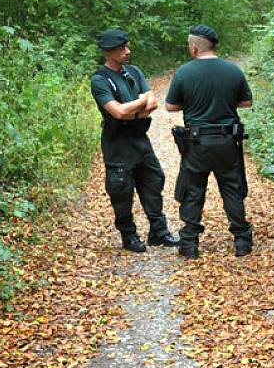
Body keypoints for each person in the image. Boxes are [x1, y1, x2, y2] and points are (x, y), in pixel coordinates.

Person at [164, 25, 254, 258]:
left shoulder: (184, 72)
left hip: (197, 142)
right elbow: (246, 103)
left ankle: (190, 244)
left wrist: (194, 104)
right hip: (226, 141)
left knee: (193, 189)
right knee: (232, 189)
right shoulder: (233, 71)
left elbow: (171, 106)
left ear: (194, 47)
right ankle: (242, 241)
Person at [90, 28, 179, 253]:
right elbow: (118, 112)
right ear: (109, 51)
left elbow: (153, 102)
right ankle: (129, 236)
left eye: (127, 47)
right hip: (117, 142)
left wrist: (135, 109)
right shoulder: (100, 80)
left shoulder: (134, 72)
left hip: (140, 137)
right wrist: (140, 104)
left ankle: (159, 232)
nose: (128, 52)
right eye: (122, 49)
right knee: (121, 189)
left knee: (153, 179)